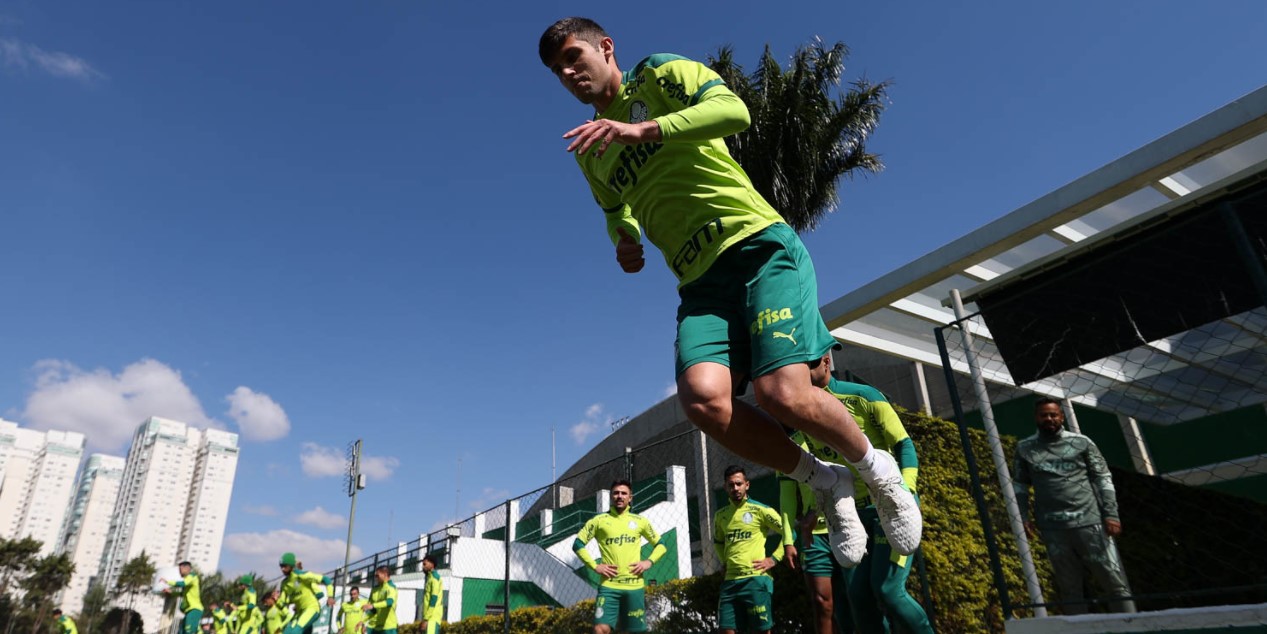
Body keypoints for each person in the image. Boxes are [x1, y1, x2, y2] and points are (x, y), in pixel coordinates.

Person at [538, 17, 920, 567]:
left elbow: (733, 112)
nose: (569, 73)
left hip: (757, 246)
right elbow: (613, 207)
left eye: (575, 56)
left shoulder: (660, 76)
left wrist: (643, 130)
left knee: (783, 394)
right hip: (699, 285)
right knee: (704, 401)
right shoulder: (590, 149)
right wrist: (624, 240)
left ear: (606, 47)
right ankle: (826, 482)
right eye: (558, 71)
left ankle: (879, 475)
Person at [806, 351, 933, 633]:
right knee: (858, 597)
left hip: (888, 506)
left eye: (808, 364)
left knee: (888, 589)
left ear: (826, 362)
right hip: (852, 514)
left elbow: (904, 445)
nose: (801, 371)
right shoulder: (800, 414)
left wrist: (906, 493)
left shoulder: (864, 395)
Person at [1014, 397, 1136, 614]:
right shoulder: (1025, 448)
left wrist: (1111, 514)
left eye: (1053, 414)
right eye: (1044, 415)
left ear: (1061, 417)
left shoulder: (1082, 443)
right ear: (1036, 418)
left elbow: (1103, 478)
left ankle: (1131, 626)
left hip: (1090, 523)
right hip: (1053, 529)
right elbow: (1020, 486)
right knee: (1068, 587)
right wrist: (1023, 517)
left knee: (1113, 580)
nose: (1049, 418)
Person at [573, 479, 667, 633]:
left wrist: (648, 562)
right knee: (600, 629)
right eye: (616, 493)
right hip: (609, 587)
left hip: (634, 586)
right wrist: (595, 566)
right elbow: (578, 544)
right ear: (611, 496)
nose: (619, 496)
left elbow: (661, 545)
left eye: (624, 493)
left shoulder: (640, 521)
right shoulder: (598, 521)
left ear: (630, 498)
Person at [713, 465, 784, 634]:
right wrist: (724, 561)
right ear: (725, 487)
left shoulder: (761, 510)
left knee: (762, 631)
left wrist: (774, 559)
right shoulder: (720, 515)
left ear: (747, 485)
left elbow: (789, 533)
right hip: (730, 582)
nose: (735, 488)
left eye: (739, 484)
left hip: (756, 580)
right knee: (726, 630)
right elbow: (718, 542)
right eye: (731, 485)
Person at [277, 552, 335, 634]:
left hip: (312, 609)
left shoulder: (301, 575)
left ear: (291, 566)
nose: (282, 569)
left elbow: (326, 579)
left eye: (285, 566)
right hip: (300, 612)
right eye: (281, 566)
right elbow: (283, 601)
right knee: (287, 632)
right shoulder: (284, 584)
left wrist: (330, 596)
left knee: (295, 632)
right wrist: (278, 602)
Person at [162, 560, 204, 634]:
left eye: (180, 569)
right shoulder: (188, 581)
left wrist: (167, 582)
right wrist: (171, 592)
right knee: (181, 631)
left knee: (188, 631)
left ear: (186, 568)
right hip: (189, 611)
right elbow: (181, 593)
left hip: (195, 609)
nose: (179, 572)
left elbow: (182, 584)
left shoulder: (192, 576)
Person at [363, 565, 398, 634]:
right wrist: (363, 621)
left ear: (385, 575)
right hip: (377, 627)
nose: (376, 578)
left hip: (389, 628)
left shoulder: (391, 587)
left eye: (377, 575)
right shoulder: (376, 589)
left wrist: (373, 605)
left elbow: (389, 602)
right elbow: (373, 611)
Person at [419, 555, 444, 634]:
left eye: (424, 564)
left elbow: (434, 599)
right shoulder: (430, 578)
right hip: (429, 617)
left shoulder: (434, 578)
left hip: (432, 618)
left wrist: (426, 619)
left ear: (432, 564)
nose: (423, 567)